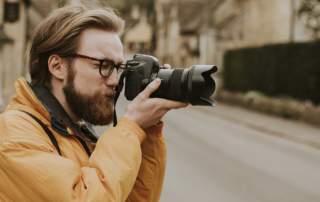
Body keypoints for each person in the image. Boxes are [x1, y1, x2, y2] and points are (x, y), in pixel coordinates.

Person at [0, 3, 188, 202]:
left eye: (118, 67)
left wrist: (147, 130)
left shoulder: (73, 131)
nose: (115, 80)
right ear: (57, 66)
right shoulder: (13, 136)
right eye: (103, 65)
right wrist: (130, 128)